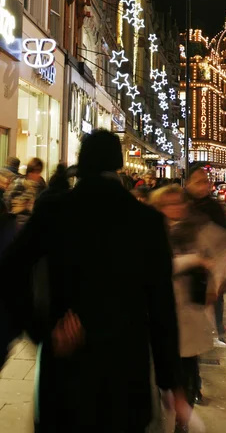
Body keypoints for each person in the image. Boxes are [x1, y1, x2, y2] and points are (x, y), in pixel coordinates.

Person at [0, 130, 187, 433]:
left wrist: (43, 329)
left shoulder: (54, 211)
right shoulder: (147, 222)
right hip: (124, 370)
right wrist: (171, 381)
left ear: (81, 164)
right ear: (119, 164)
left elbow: (9, 271)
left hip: (67, 365)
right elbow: (162, 306)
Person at [149, 184, 214, 426]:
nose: (176, 207)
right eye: (169, 203)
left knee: (187, 371)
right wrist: (194, 260)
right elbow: (159, 268)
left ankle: (181, 422)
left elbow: (215, 260)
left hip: (189, 315)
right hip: (161, 314)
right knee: (163, 372)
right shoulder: (153, 231)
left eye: (179, 202)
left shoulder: (194, 229)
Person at [186, 166, 226, 347]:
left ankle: (218, 332)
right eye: (198, 182)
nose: (203, 186)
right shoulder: (182, 203)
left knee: (215, 300)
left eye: (205, 181)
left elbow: (224, 240)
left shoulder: (214, 208)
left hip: (211, 268)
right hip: (188, 268)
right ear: (188, 182)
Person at [4, 157, 46, 229]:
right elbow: (8, 201)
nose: (38, 175)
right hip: (18, 224)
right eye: (35, 172)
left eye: (39, 172)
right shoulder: (19, 184)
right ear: (29, 172)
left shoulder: (41, 186)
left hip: (34, 225)